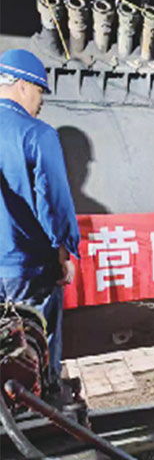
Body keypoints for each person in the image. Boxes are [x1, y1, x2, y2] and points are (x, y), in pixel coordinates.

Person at [0, 49, 80, 383]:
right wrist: (65, 251)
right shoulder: (38, 134)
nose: (41, 100)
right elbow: (55, 202)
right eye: (38, 90)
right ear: (21, 85)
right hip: (29, 271)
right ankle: (44, 401)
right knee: (35, 349)